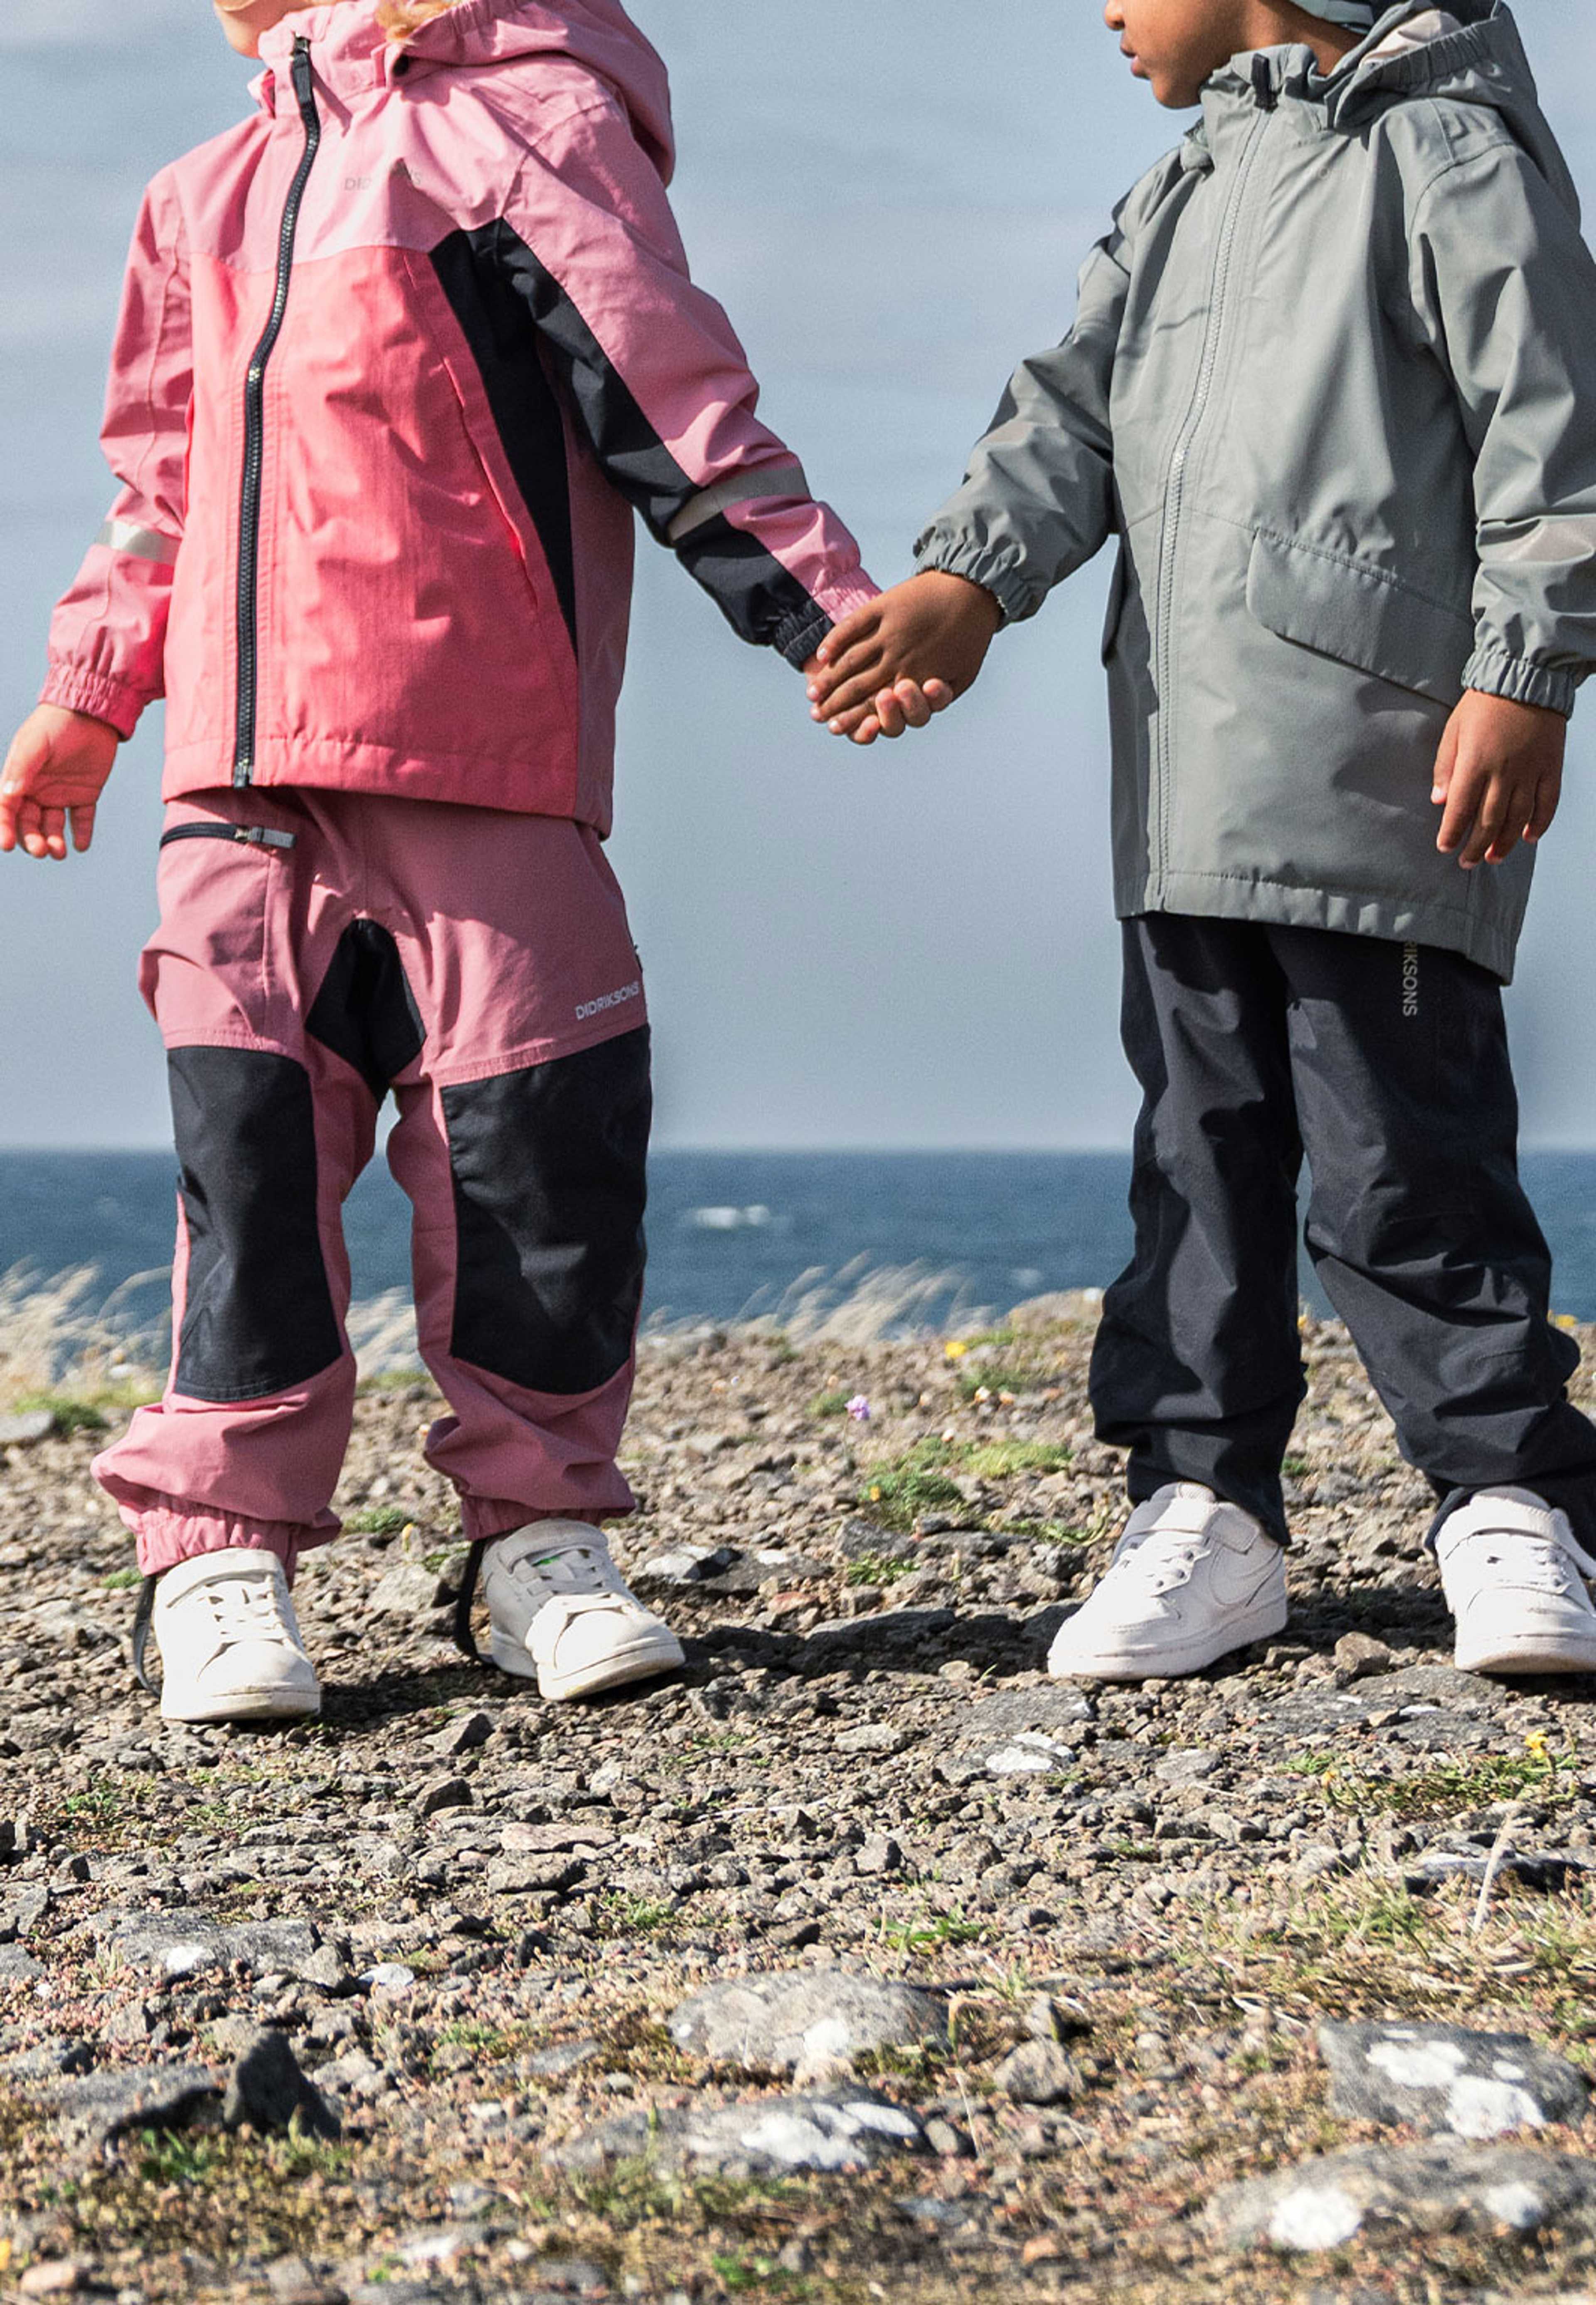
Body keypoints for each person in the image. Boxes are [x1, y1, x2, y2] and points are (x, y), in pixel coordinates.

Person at [0, 0, 891, 1726]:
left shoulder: (527, 125)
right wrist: (83, 697)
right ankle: (218, 1548)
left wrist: (825, 609)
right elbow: (158, 484)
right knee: (248, 1157)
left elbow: (666, 386)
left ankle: (534, 1537)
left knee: (537, 1159)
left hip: (487, 746)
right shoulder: (208, 188)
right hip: (240, 778)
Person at [808, 0, 1596, 1683]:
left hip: (1385, 774)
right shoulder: (1186, 178)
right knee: (1198, 1157)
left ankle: (1513, 1495)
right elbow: (1072, 414)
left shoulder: (1449, 151)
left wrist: (1526, 675)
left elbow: (1555, 429)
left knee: (1408, 1166)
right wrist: (972, 577)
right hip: (1182, 783)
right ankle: (1204, 1508)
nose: (1104, 8)